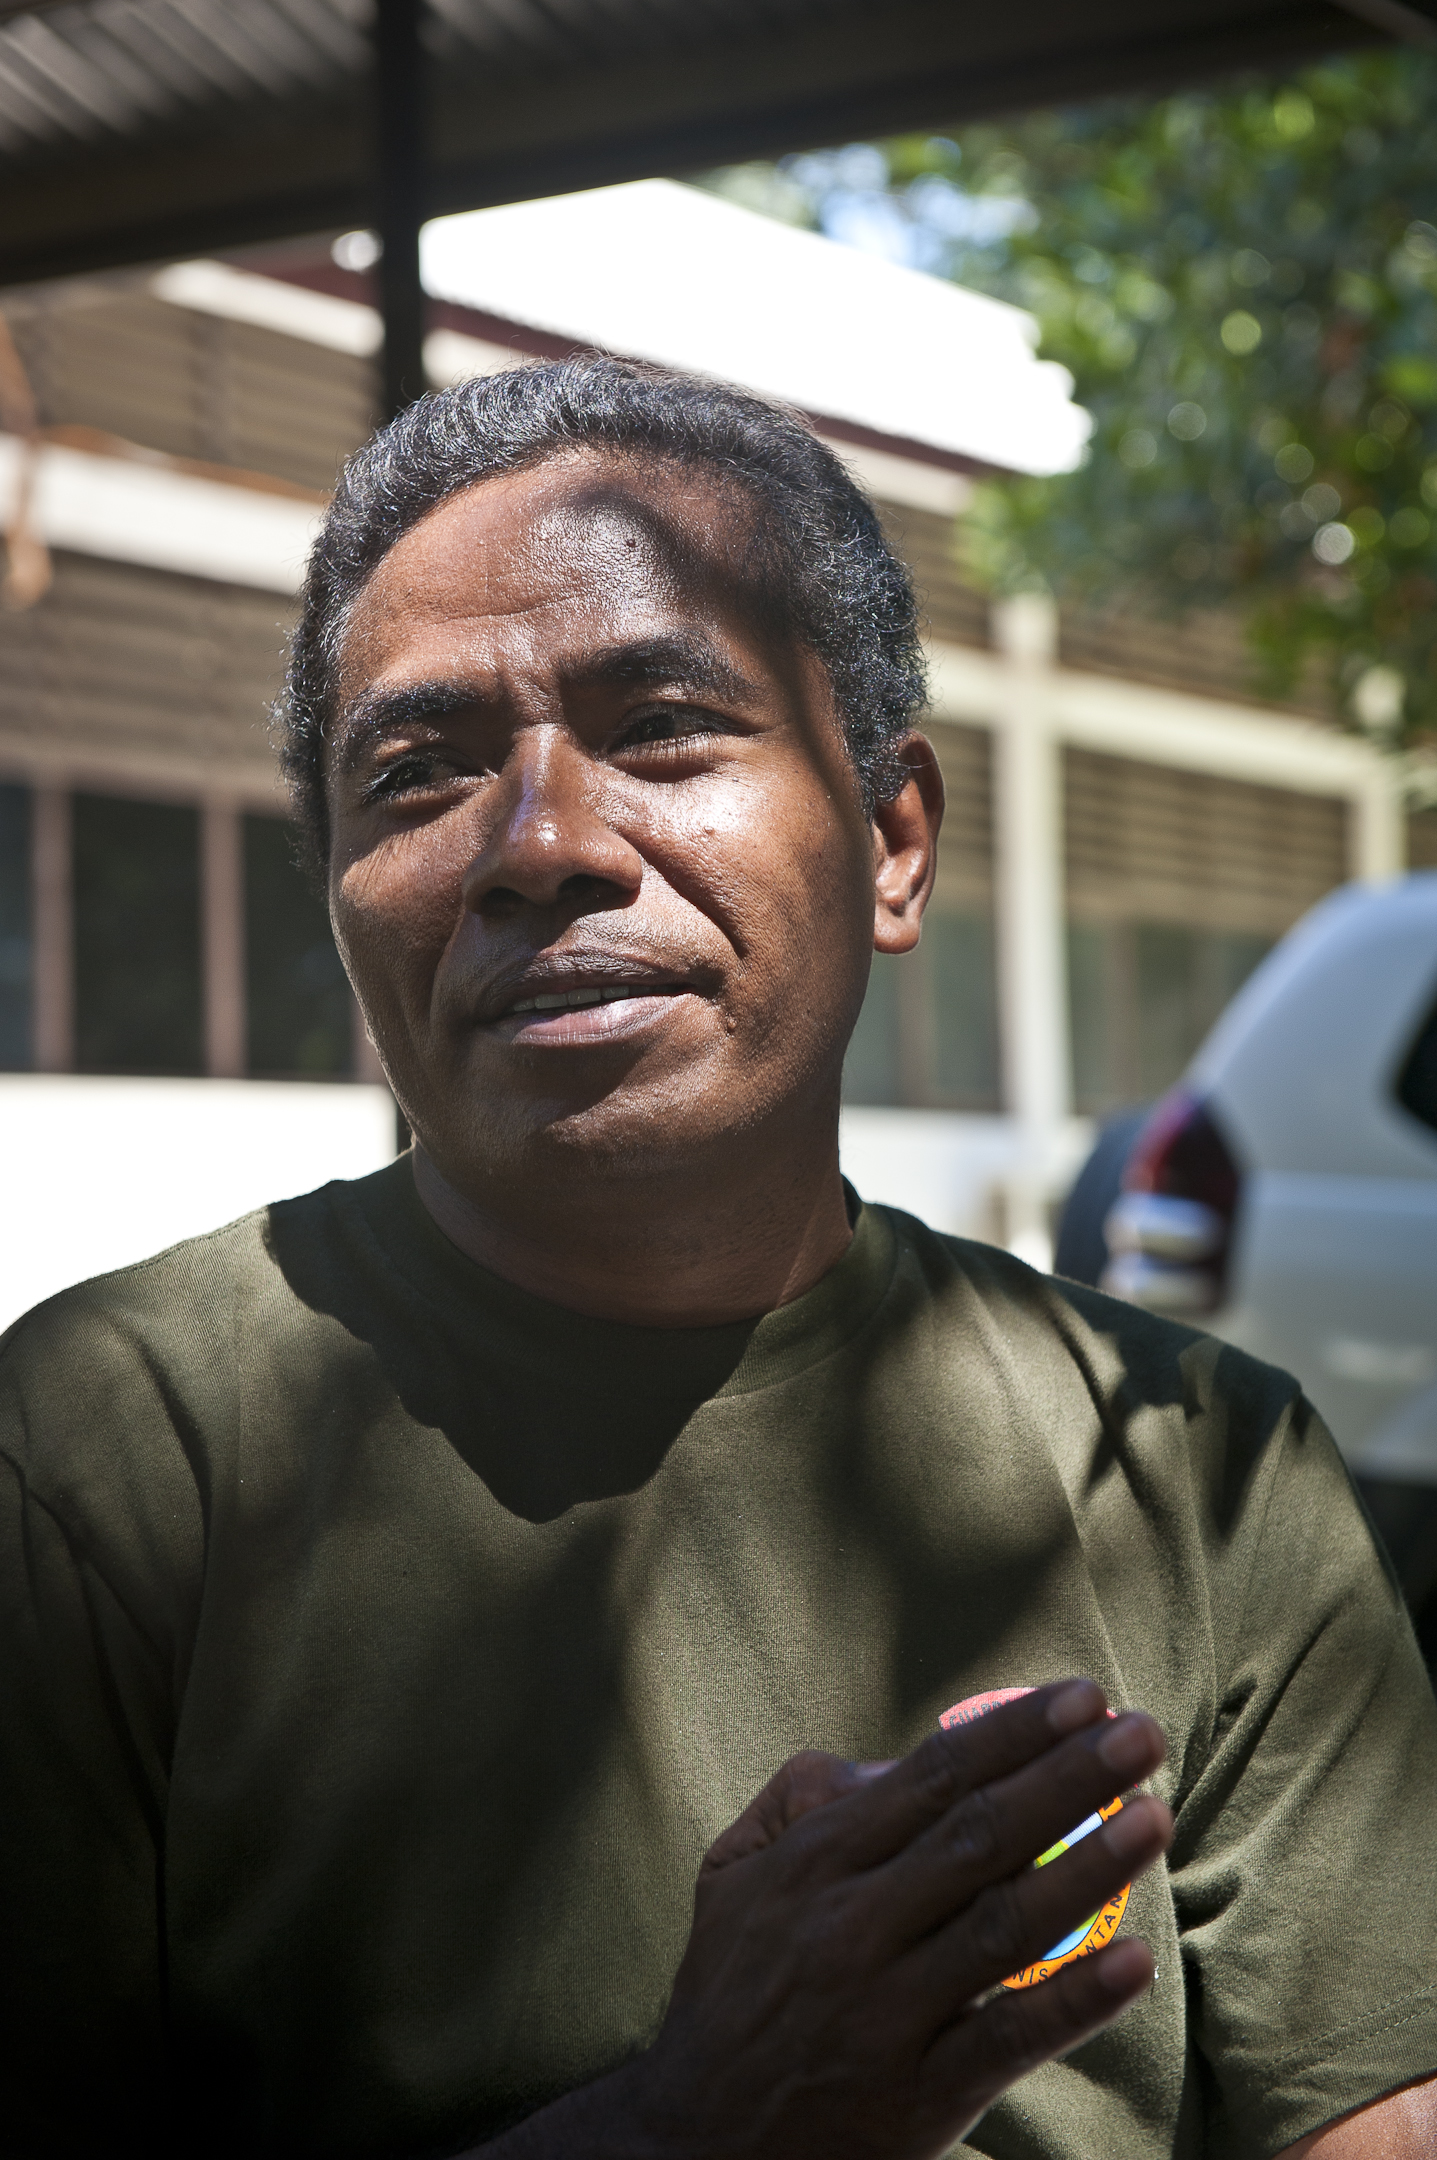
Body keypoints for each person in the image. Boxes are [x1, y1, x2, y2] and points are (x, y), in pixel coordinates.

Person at [2, 359, 1434, 2160]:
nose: (538, 846)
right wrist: (695, 2124)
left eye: (663, 727)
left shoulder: (1200, 1471)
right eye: (417, 773)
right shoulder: (99, 1465)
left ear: (892, 840)